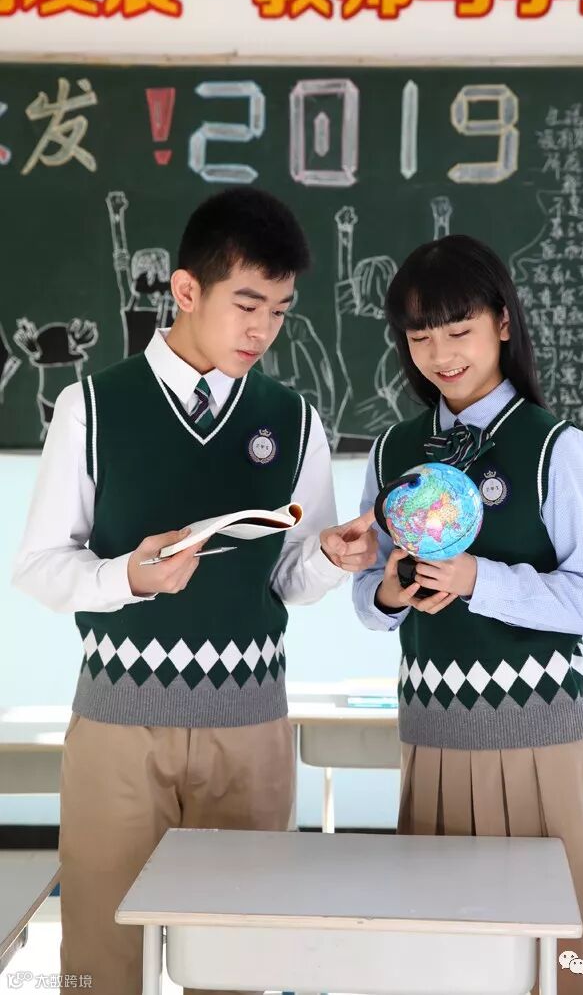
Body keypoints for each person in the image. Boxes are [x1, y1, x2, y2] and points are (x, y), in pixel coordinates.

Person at [12, 186, 377, 995]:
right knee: (98, 961)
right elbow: (38, 565)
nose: (263, 330)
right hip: (118, 727)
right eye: (246, 305)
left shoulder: (294, 420)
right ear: (186, 290)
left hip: (249, 730)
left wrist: (329, 556)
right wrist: (126, 577)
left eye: (279, 312)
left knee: (239, 962)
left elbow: (290, 580)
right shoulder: (92, 406)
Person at [352, 233, 583, 994]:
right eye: (420, 337)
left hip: (540, 737)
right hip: (434, 737)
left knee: (565, 960)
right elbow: (373, 602)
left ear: (503, 322)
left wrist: (480, 579)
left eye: (458, 330)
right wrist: (391, 590)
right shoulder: (393, 451)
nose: (440, 354)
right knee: (448, 962)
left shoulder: (553, 447)